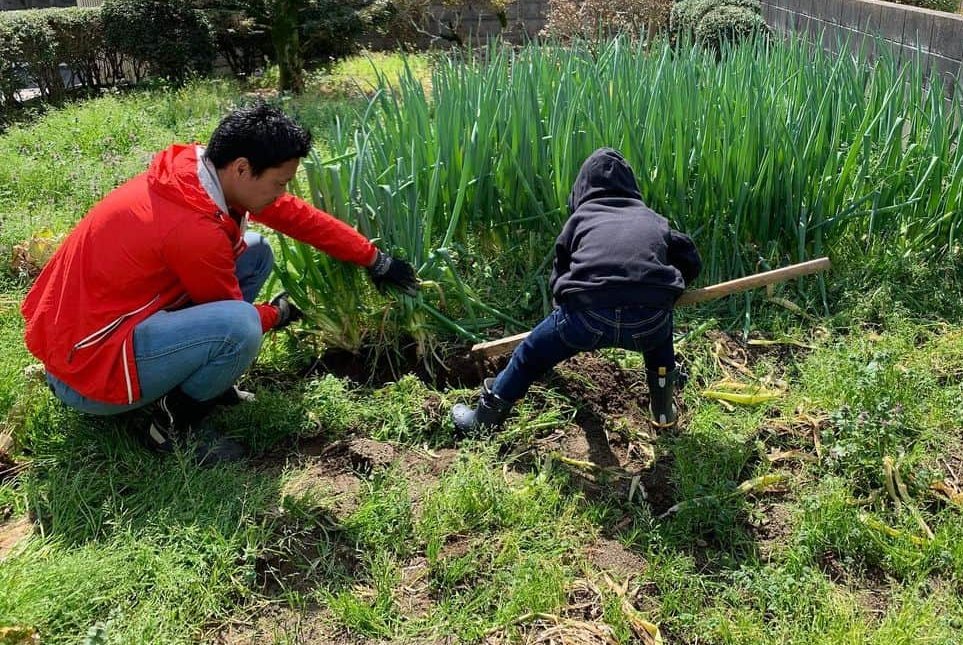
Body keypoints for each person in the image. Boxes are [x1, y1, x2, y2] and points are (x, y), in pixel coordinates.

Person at [22, 102, 419, 463]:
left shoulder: (199, 178)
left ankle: (205, 380)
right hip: (87, 373)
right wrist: (276, 314)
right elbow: (234, 315)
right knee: (240, 329)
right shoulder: (194, 226)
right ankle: (170, 429)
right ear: (243, 168)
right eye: (280, 182)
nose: (284, 192)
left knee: (257, 249)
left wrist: (374, 259)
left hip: (96, 334)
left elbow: (296, 216)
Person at [451, 147, 701, 435]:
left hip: (585, 317)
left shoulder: (580, 220)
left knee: (530, 354)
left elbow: (560, 274)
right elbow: (691, 260)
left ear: (582, 188)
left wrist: (563, 317)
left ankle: (484, 420)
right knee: (660, 338)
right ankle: (663, 411)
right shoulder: (653, 219)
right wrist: (666, 293)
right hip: (649, 320)